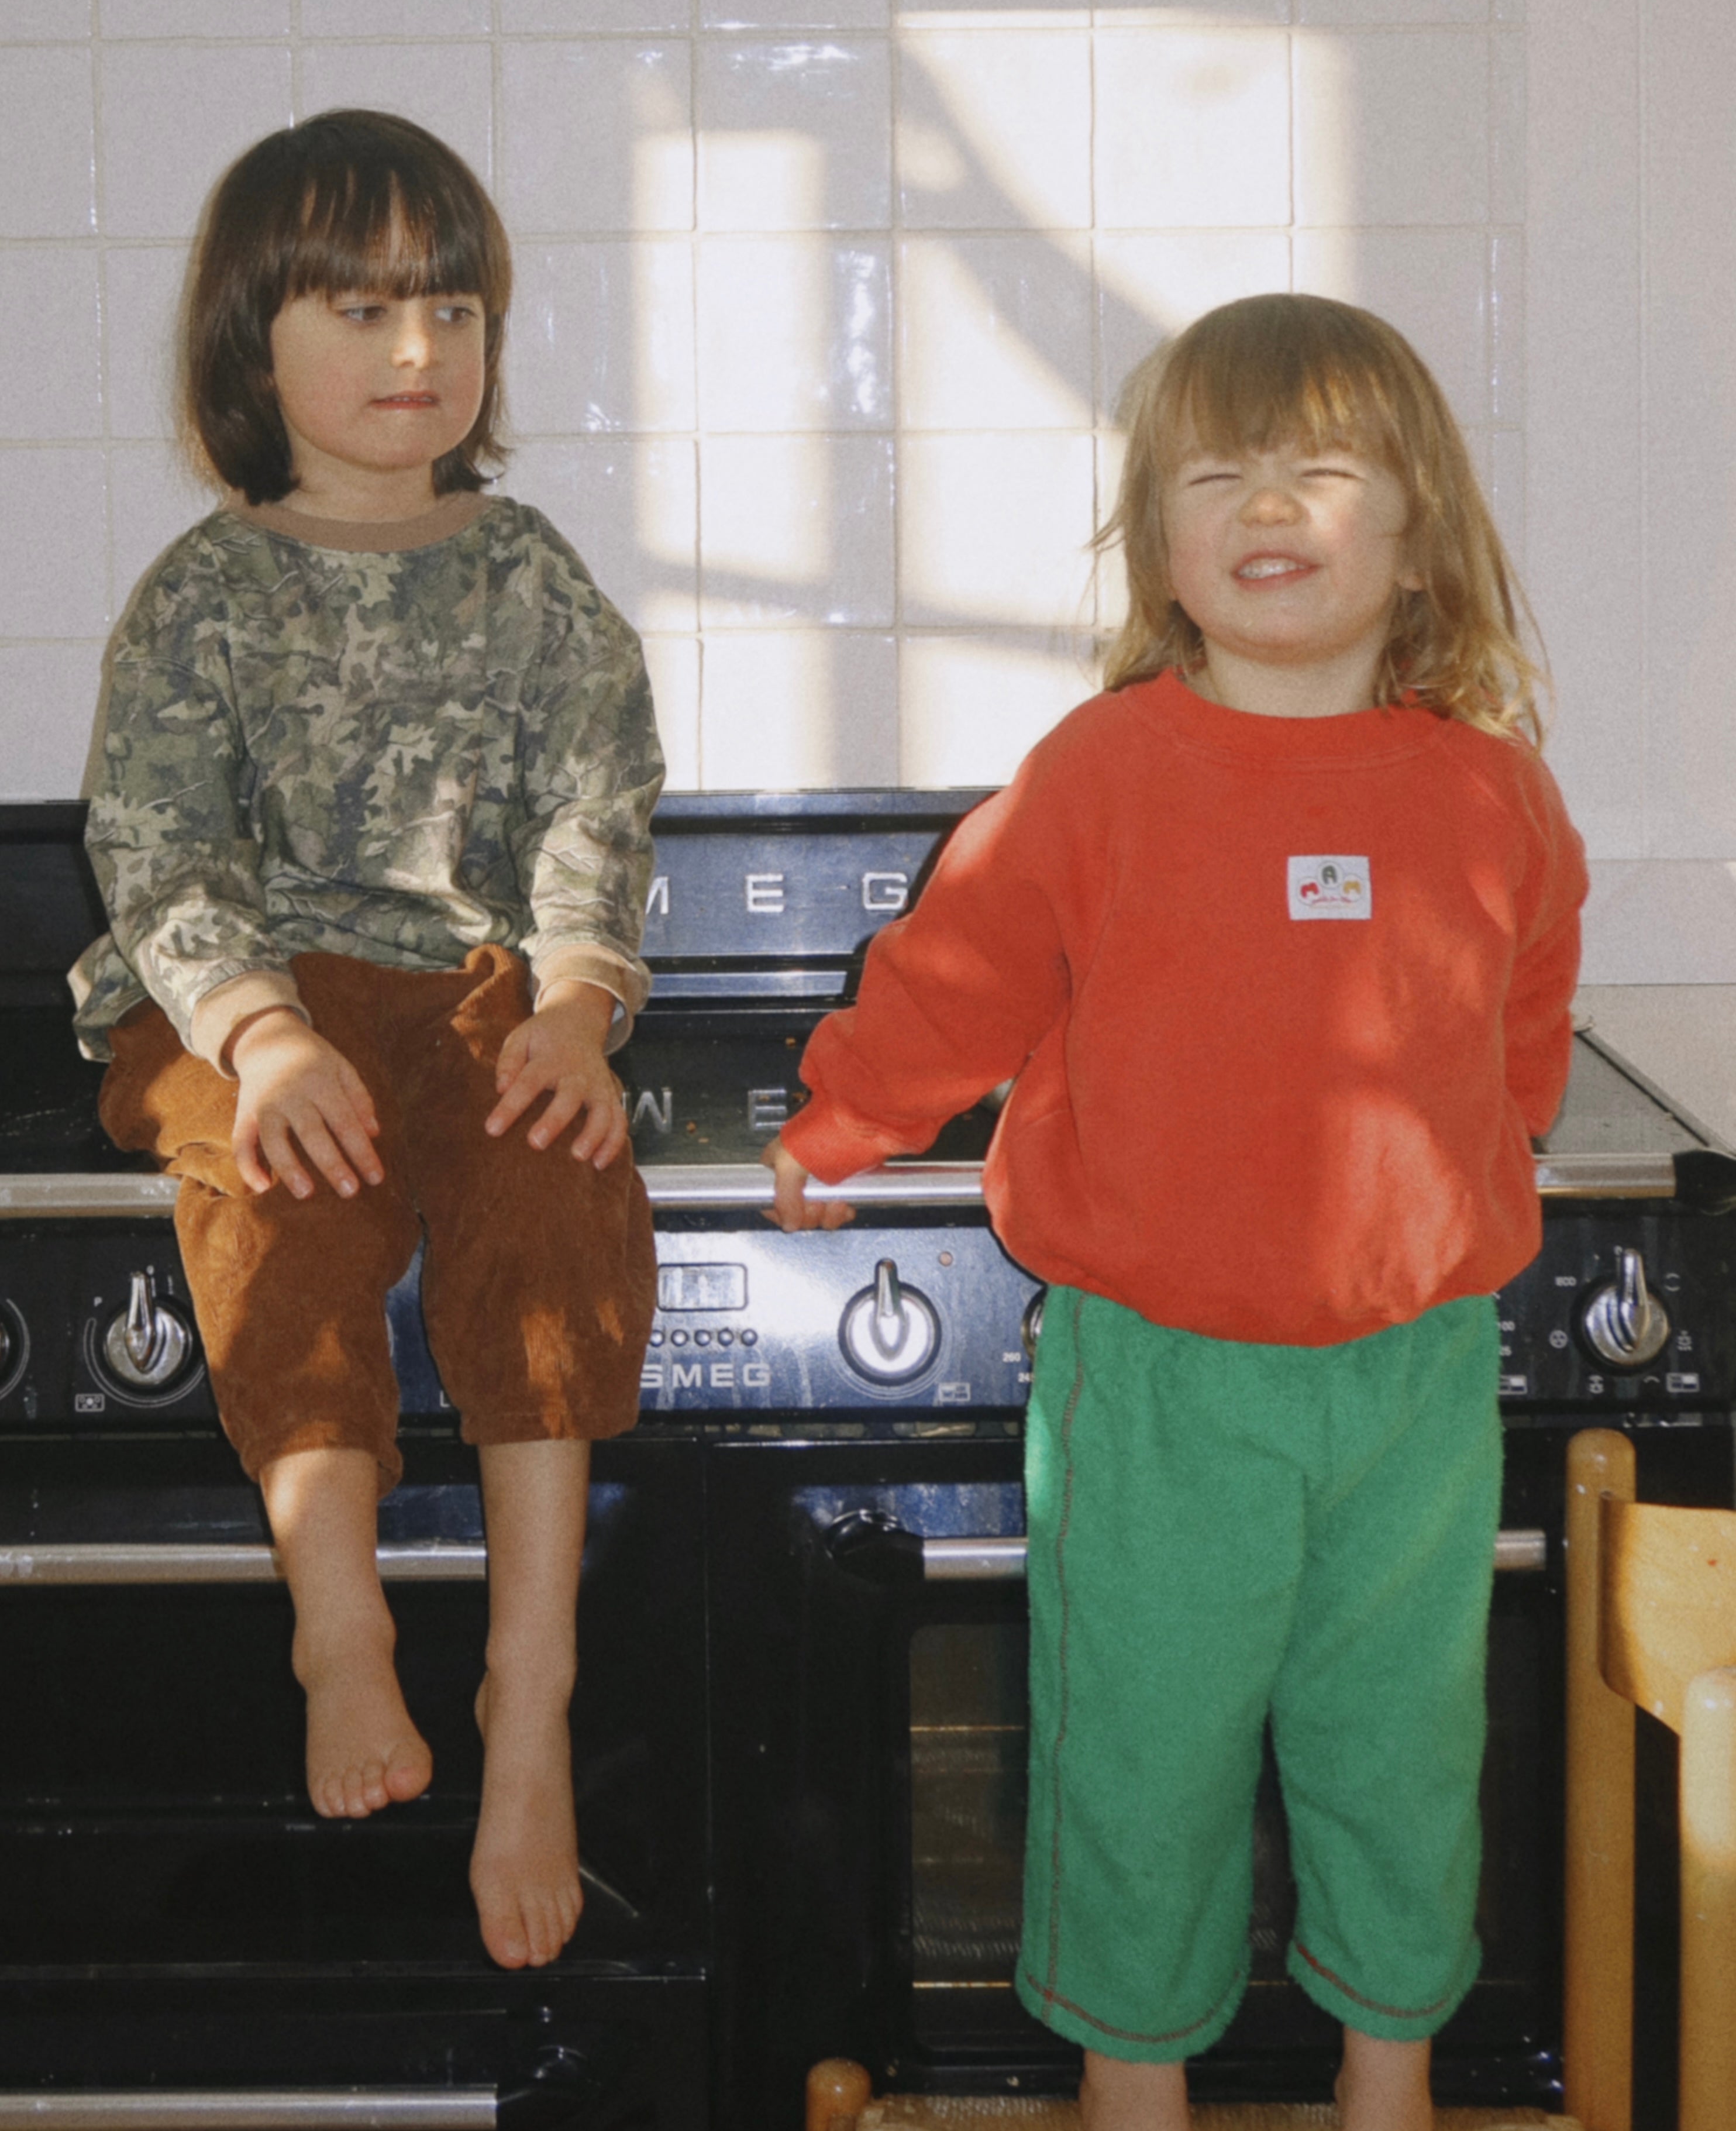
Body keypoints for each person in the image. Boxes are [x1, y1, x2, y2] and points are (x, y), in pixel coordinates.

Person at [763, 294, 1587, 2131]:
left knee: (1399, 1753)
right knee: (1142, 1765)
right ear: (1162, 542)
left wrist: (1497, 1134)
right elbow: (951, 977)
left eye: (1321, 462)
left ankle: (1395, 2087)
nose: (1266, 498)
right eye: (1216, 469)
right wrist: (842, 1122)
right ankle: (1133, 2096)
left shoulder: (1491, 796)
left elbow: (1526, 1014)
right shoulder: (1101, 774)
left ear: (1419, 527)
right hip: (1161, 1385)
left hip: (1415, 1382)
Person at [71, 109, 664, 1974]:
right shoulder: (204, 596)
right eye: (360, 308)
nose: (420, 351)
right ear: (253, 342)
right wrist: (255, 1033)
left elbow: (597, 798)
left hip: (477, 989)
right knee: (288, 1213)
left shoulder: (534, 576)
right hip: (242, 1004)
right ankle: (337, 1618)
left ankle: (533, 1687)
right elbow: (157, 844)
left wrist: (577, 1006)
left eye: (455, 305)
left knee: (554, 1206)